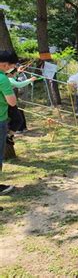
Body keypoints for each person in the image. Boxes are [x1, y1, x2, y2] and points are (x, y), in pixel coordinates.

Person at [0, 51, 19, 195]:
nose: (10, 69)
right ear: (5, 64)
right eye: (11, 66)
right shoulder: (3, 79)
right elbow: (12, 101)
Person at [6, 65, 38, 142]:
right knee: (17, 119)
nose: (15, 74)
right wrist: (30, 80)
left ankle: (9, 135)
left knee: (17, 119)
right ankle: (8, 135)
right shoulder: (9, 79)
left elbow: (14, 76)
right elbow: (19, 84)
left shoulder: (10, 77)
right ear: (10, 74)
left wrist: (18, 71)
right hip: (8, 103)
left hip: (9, 102)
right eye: (14, 73)